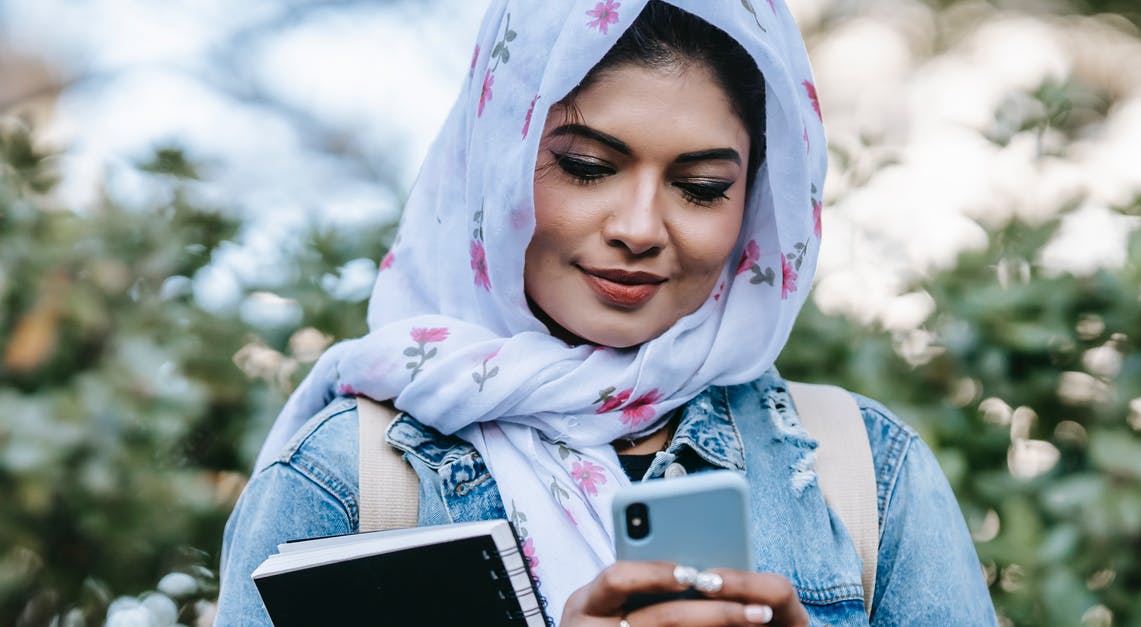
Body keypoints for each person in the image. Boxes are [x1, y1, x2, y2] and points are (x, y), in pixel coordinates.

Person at [216, 1, 996, 625]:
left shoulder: (866, 475)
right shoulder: (349, 481)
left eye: (701, 187)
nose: (639, 227)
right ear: (499, 156)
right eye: (588, 167)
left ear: (757, 203)